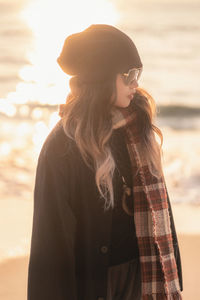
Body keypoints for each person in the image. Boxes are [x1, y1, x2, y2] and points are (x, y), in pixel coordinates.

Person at [27, 24, 183, 300]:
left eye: (139, 73)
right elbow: (50, 244)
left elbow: (162, 217)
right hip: (96, 287)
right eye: (128, 75)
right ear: (102, 77)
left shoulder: (138, 128)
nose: (136, 83)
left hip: (144, 276)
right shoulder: (63, 145)